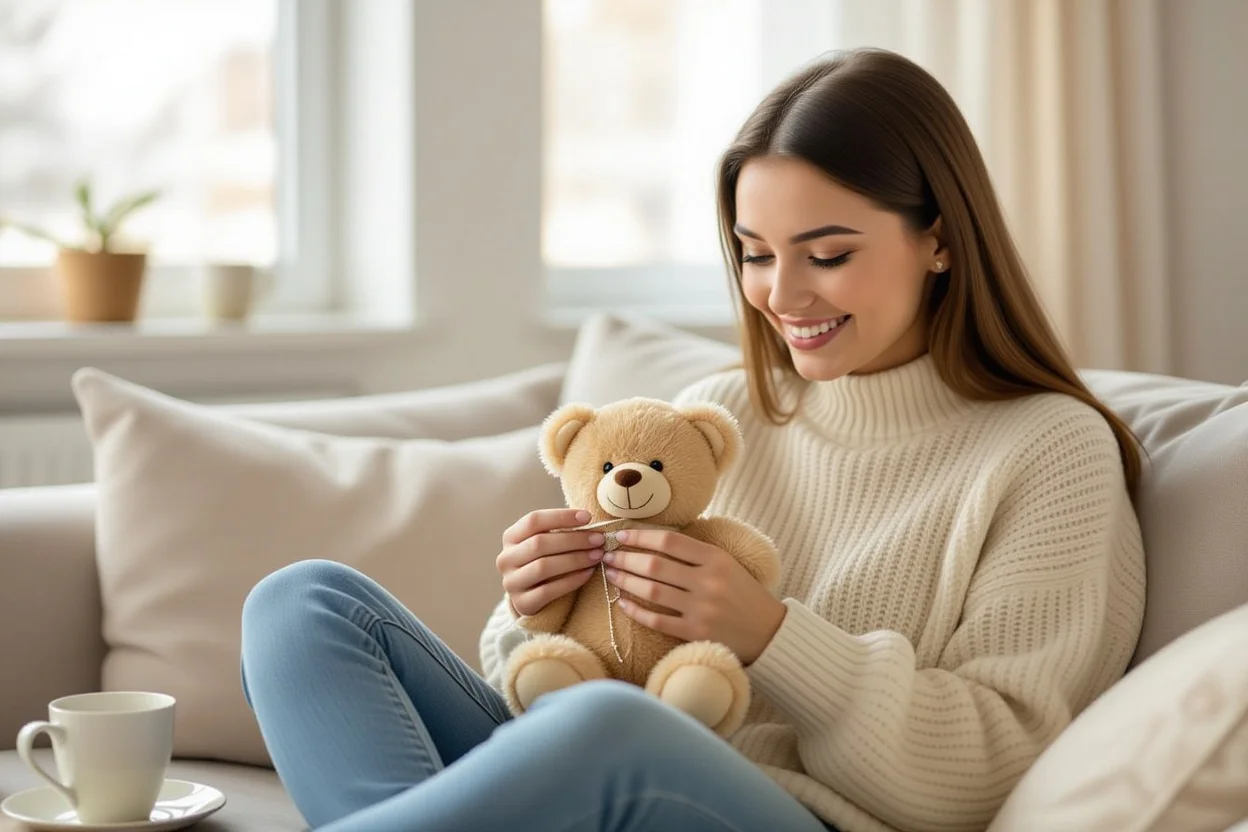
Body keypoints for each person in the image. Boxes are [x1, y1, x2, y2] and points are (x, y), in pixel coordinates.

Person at [240, 47, 1145, 832]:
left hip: (784, 814)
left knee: (607, 732)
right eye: (755, 252)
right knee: (303, 607)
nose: (782, 295)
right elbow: (575, 668)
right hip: (594, 779)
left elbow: (992, 768)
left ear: (939, 243)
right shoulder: (716, 414)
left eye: (827, 254)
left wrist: (771, 637)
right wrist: (531, 609)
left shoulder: (1049, 450)